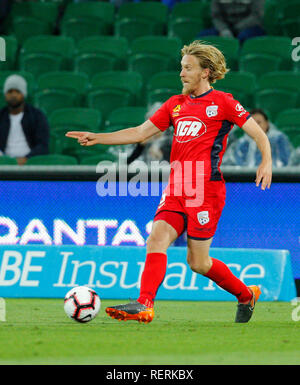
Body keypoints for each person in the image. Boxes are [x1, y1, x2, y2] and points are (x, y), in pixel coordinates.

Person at [66, 40, 272, 324]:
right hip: (177, 186)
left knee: (198, 263)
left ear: (206, 72)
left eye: (188, 68)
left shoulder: (224, 102)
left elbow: (258, 133)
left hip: (205, 191)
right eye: (181, 68)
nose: (182, 73)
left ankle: (246, 294)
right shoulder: (175, 104)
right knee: (156, 238)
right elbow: (140, 132)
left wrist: (266, 161)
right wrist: (98, 136)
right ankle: (144, 304)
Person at [0, 74, 49, 165]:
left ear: (23, 94)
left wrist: (27, 158)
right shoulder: (1, 116)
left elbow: (43, 145)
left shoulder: (37, 116)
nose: (13, 95)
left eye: (17, 91)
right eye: (10, 91)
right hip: (3, 164)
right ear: (5, 94)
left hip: (30, 164)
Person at [224, 108, 293, 167]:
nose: (256, 126)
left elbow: (286, 163)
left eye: (259, 122)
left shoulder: (279, 139)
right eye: (252, 123)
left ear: (267, 123)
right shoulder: (242, 142)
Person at [197, 0, 265, 44]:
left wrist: (234, 30)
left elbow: (256, 17)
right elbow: (216, 17)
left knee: (243, 38)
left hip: (249, 27)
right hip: (225, 27)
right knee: (203, 37)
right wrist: (224, 30)